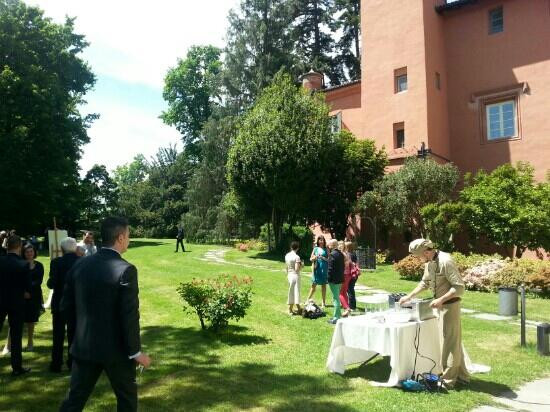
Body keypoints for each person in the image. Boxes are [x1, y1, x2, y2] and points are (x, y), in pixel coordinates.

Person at [59, 217, 151, 411]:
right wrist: (136, 352)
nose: (129, 240)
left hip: (85, 347)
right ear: (120, 238)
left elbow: (66, 307)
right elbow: (129, 315)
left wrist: (79, 336)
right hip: (117, 352)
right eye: (128, 236)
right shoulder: (126, 270)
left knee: (74, 400)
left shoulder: (80, 264)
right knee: (126, 401)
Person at [399, 239, 469, 388]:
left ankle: (448, 381)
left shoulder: (445, 261)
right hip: (441, 306)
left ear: (426, 252)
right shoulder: (429, 262)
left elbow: (459, 287)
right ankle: (462, 376)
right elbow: (425, 282)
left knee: (449, 344)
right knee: (453, 341)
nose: (417, 259)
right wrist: (409, 296)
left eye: (417, 256)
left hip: (450, 306)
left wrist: (441, 300)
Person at [0, 235, 32, 376]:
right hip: (17, 302)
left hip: (1, 299)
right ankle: (17, 367)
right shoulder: (23, 264)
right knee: (16, 335)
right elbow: (28, 286)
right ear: (19, 246)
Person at [47, 237, 80, 372]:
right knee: (74, 335)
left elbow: (51, 284)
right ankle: (72, 363)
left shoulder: (56, 262)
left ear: (61, 249)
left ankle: (56, 363)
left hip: (59, 302)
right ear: (75, 248)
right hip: (76, 303)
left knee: (58, 335)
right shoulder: (81, 262)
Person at [22, 243, 43, 351]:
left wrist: (29, 291)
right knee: (16, 320)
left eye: (31, 251)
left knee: (31, 320)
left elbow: (39, 281)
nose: (29, 253)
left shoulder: (39, 265)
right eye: (27, 252)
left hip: (34, 296)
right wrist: (24, 292)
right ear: (23, 253)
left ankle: (30, 342)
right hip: (21, 295)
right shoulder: (20, 264)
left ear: (34, 252)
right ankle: (9, 344)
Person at [306, 236, 328, 308]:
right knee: (314, 285)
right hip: (316, 268)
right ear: (318, 241)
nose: (321, 241)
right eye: (320, 240)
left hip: (324, 268)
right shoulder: (315, 249)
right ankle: (307, 300)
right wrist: (314, 258)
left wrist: (323, 258)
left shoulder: (326, 249)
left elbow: (329, 259)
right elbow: (310, 258)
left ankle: (323, 302)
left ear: (324, 241)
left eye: (322, 240)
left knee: (323, 285)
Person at [326, 239, 344, 325]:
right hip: (340, 278)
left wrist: (328, 279)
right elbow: (342, 266)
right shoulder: (341, 254)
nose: (328, 246)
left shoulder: (332, 255)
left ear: (332, 245)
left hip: (333, 280)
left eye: (329, 244)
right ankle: (338, 315)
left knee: (335, 298)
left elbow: (330, 268)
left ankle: (336, 318)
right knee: (337, 297)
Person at [285, 241, 302, 315]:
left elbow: (286, 267)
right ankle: (290, 309)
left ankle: (298, 308)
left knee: (291, 291)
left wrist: (287, 274)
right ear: (297, 248)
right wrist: (302, 266)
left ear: (291, 247)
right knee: (295, 292)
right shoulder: (297, 257)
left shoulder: (287, 255)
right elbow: (297, 269)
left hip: (289, 275)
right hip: (295, 275)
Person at [339, 241, 352, 318]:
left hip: (343, 275)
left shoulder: (341, 254)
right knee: (344, 292)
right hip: (348, 275)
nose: (339, 246)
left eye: (340, 245)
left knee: (339, 293)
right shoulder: (347, 253)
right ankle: (346, 309)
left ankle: (347, 308)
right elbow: (350, 263)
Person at [345, 242, 360, 311]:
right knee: (351, 289)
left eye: (345, 246)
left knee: (350, 290)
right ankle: (352, 305)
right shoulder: (353, 253)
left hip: (350, 274)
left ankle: (352, 306)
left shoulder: (349, 255)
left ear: (347, 247)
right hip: (354, 274)